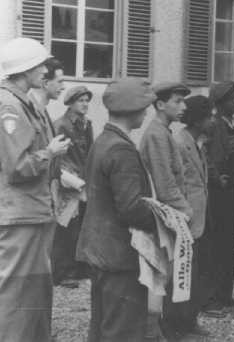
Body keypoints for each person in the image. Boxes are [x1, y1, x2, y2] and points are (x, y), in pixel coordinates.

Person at [0, 37, 71, 342]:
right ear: (24, 69)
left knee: (33, 294)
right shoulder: (10, 106)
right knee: (16, 297)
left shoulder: (25, 102)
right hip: (20, 215)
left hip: (33, 212)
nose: (45, 71)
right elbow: (17, 167)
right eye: (40, 65)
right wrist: (50, 153)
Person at [76, 77, 157, 342]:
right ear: (133, 110)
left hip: (100, 251)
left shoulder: (103, 140)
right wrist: (164, 220)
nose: (146, 112)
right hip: (119, 254)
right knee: (123, 330)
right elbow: (131, 208)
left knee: (101, 325)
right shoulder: (122, 149)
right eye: (144, 107)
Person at [139, 82, 201, 340]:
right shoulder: (156, 134)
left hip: (170, 215)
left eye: (183, 101)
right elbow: (165, 185)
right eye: (177, 101)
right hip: (165, 216)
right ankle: (158, 332)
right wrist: (187, 212)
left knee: (165, 276)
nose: (183, 106)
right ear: (161, 105)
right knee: (159, 277)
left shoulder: (163, 131)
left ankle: (163, 329)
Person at [171, 95, 217, 325]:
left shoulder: (196, 142)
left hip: (199, 218)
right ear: (198, 119)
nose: (213, 121)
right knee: (185, 272)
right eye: (210, 116)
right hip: (187, 219)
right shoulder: (180, 143)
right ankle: (180, 324)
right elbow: (176, 184)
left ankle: (189, 319)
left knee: (196, 270)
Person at [205, 81, 234, 313]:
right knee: (217, 242)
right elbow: (209, 157)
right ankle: (213, 296)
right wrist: (217, 178)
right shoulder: (215, 126)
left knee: (230, 241)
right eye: (232, 98)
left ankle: (226, 293)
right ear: (220, 104)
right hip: (220, 192)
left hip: (233, 190)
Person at [52, 85, 94, 286]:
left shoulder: (87, 124)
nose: (85, 104)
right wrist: (72, 179)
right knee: (66, 226)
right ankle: (62, 271)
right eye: (81, 100)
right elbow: (58, 157)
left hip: (83, 181)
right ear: (70, 103)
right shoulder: (61, 125)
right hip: (68, 182)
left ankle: (78, 268)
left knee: (81, 225)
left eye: (87, 100)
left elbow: (90, 153)